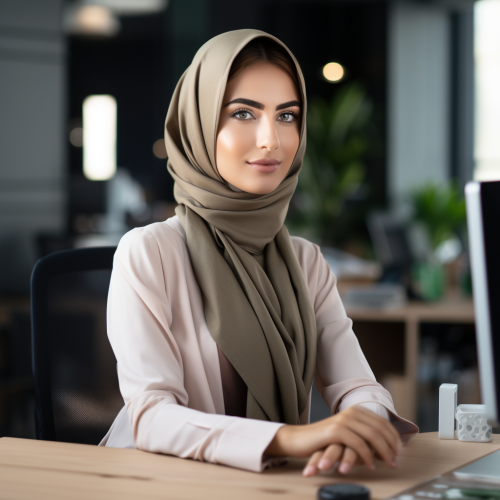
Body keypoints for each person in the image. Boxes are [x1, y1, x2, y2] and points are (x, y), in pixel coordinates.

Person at [99, 29, 418, 476]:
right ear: (199, 123)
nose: (271, 139)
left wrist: (363, 423)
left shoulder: (306, 262)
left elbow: (358, 385)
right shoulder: (149, 252)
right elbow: (151, 416)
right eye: (244, 113)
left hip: (272, 483)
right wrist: (291, 437)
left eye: (287, 116)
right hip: (157, 483)